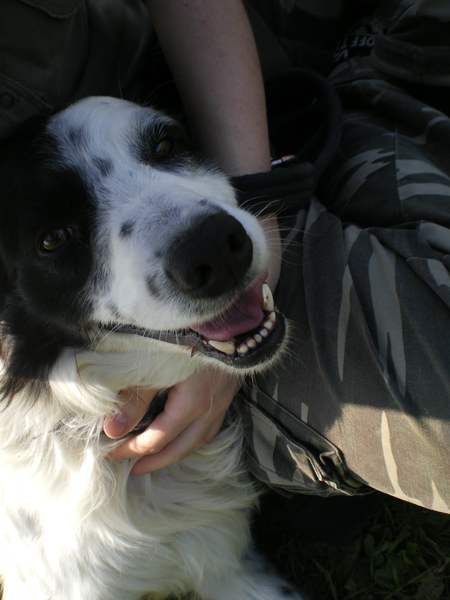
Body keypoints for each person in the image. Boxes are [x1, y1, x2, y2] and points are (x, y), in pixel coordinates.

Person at [2, 0, 450, 538]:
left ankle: (370, 67)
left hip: (210, 111)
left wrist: (257, 208)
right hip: (85, 338)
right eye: (58, 238)